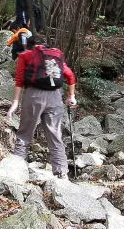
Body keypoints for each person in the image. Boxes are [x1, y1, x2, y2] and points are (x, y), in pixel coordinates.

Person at [6, 35, 77, 178]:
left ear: (29, 46)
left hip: (34, 96)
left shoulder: (26, 55)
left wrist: (15, 102)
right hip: (55, 97)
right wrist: (71, 97)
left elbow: (19, 80)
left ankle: (16, 171)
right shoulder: (54, 56)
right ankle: (61, 174)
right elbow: (70, 76)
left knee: (25, 134)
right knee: (55, 136)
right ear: (45, 45)